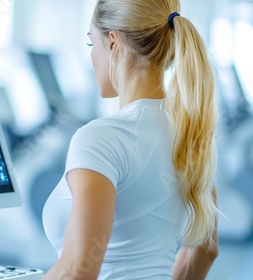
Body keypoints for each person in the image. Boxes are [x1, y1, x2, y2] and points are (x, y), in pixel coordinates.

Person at [42, 0, 219, 279]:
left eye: (92, 44)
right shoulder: (190, 135)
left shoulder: (100, 138)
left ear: (113, 42)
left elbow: (78, 270)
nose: (92, 56)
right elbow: (205, 251)